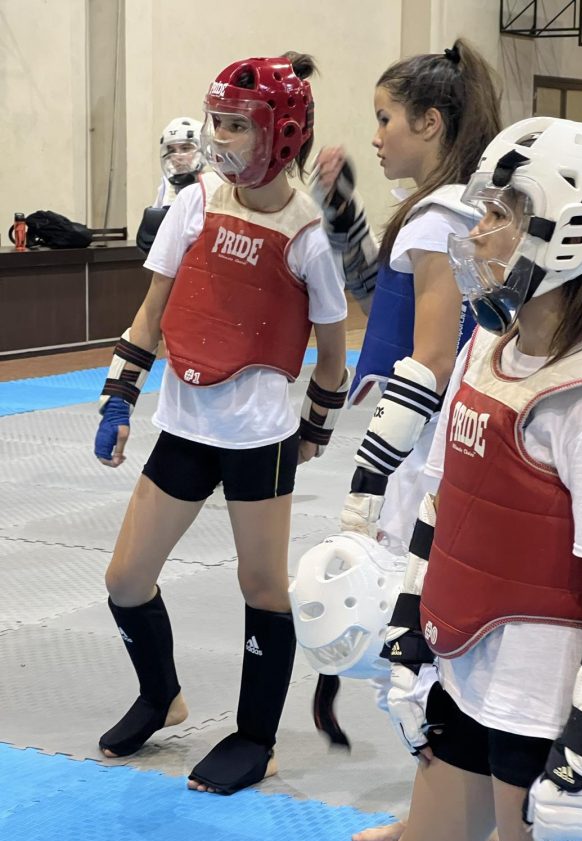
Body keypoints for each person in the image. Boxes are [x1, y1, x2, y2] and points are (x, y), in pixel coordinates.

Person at [380, 116, 582, 841]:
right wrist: (410, 636)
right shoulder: (485, 349)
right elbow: (445, 505)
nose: (477, 232)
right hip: (462, 669)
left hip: (540, 706)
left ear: (569, 234)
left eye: (500, 213)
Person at [94, 53, 349, 796]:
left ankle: (256, 739)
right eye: (218, 122)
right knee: (125, 579)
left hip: (258, 435)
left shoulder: (307, 235)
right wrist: (120, 396)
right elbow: (153, 311)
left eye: (237, 125)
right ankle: (161, 695)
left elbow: (333, 354)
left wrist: (314, 429)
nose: (219, 138)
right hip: (184, 421)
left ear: (280, 134)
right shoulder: (194, 202)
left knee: (262, 586)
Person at [307, 40, 506, 841]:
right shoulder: (451, 210)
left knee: (417, 648)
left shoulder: (439, 217)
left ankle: (474, 830)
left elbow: (428, 357)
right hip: (438, 450)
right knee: (420, 650)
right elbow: (382, 302)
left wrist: (369, 476)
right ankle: (444, 815)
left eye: (385, 118)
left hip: (427, 459)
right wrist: (344, 215)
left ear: (430, 122)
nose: (376, 134)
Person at [136, 117, 221, 253]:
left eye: (185, 148)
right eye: (171, 150)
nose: (177, 156)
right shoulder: (166, 187)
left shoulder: (215, 185)